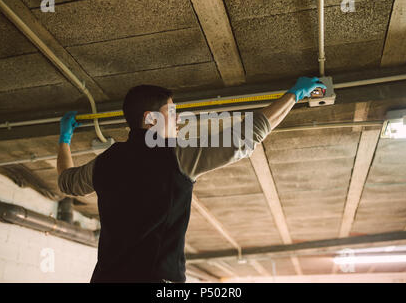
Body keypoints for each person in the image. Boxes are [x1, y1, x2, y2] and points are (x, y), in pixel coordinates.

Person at [57, 77, 325, 282]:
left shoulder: (105, 163)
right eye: (171, 113)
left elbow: (66, 182)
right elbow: (247, 135)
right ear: (150, 120)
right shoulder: (176, 156)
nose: (178, 121)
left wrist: (64, 139)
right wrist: (295, 95)